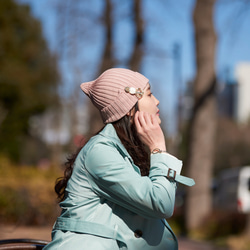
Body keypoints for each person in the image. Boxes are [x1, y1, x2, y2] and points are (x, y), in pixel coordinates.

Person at [44, 68, 195, 250]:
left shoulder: (126, 152)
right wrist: (158, 148)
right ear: (130, 107)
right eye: (149, 94)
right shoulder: (100, 152)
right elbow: (160, 204)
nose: (157, 101)